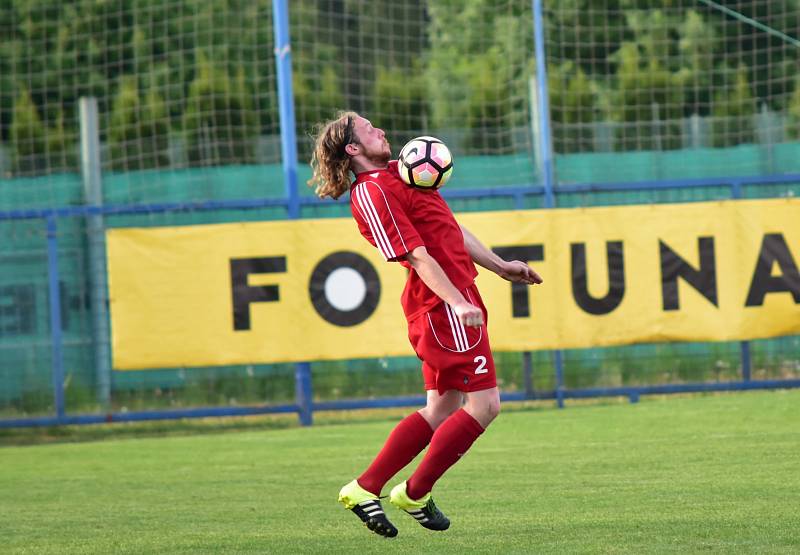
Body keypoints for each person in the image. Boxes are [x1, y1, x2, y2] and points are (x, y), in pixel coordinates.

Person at [308, 111, 542, 538]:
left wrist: (500, 266)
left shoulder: (405, 169)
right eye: (367, 128)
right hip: (440, 307)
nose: (380, 129)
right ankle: (413, 492)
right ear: (353, 149)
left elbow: (448, 227)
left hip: (454, 300)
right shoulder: (372, 194)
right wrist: (455, 302)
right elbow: (416, 255)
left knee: (443, 407)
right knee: (485, 405)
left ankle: (367, 488)